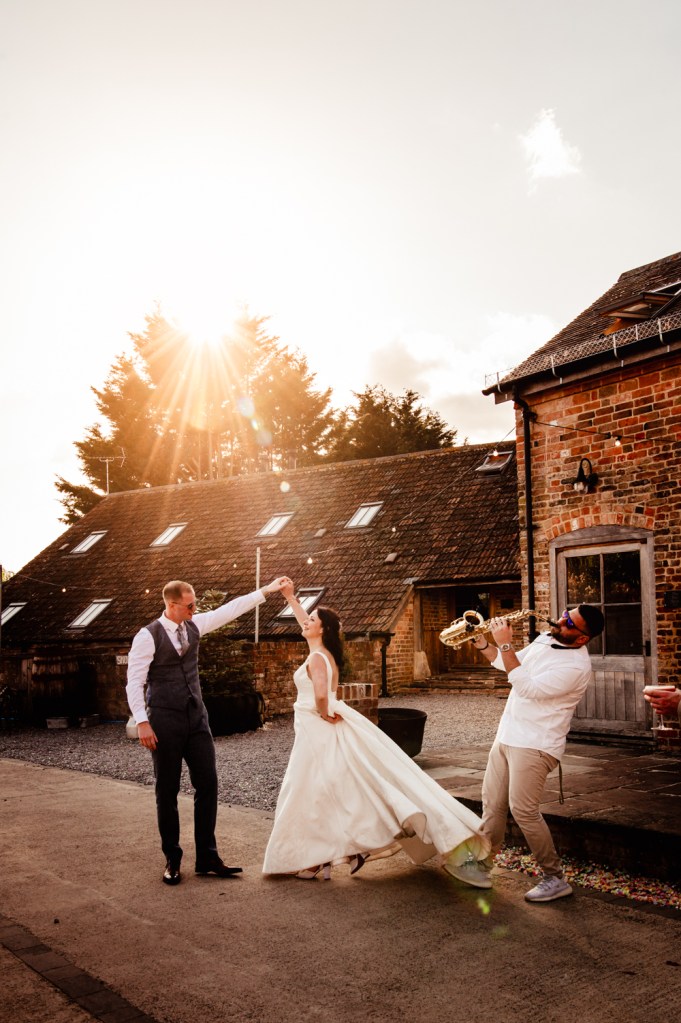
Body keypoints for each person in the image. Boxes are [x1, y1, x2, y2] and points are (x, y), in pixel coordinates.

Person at [262, 580, 490, 884]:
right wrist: (291, 597)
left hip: (317, 728)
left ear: (323, 629)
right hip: (317, 727)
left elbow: (319, 696)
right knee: (335, 787)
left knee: (308, 790)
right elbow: (308, 628)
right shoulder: (323, 652)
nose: (305, 622)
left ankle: (321, 857)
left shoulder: (317, 657)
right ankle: (328, 856)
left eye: (312, 620)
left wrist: (323, 712)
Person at [126, 576, 288, 886]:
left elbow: (230, 610)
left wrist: (266, 591)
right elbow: (135, 681)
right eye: (189, 605)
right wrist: (142, 721)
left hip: (197, 719)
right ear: (172, 605)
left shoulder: (195, 625)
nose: (194, 608)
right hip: (164, 720)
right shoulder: (147, 636)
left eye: (194, 604)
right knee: (167, 790)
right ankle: (172, 858)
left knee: (208, 784)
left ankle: (207, 857)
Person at [452, 604, 605, 903]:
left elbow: (526, 687)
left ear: (582, 637)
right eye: (563, 614)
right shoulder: (545, 639)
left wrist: (506, 642)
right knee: (492, 805)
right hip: (508, 735)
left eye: (568, 622)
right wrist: (485, 643)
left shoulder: (575, 668)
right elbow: (509, 664)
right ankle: (481, 867)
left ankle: (555, 878)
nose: (559, 620)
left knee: (523, 810)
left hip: (537, 744)